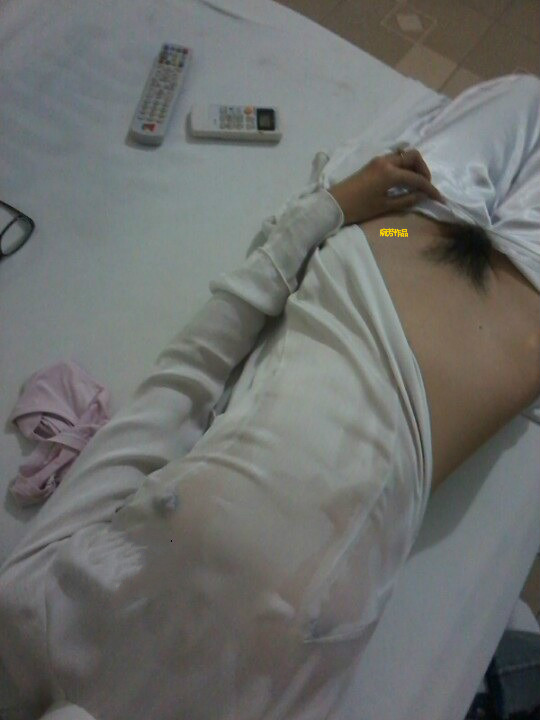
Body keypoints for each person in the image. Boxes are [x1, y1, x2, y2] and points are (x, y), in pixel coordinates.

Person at [0, 73, 539, 720]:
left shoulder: (24, 624)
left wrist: (329, 210)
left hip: (390, 246)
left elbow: (182, 384)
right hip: (511, 329)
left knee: (525, 98)